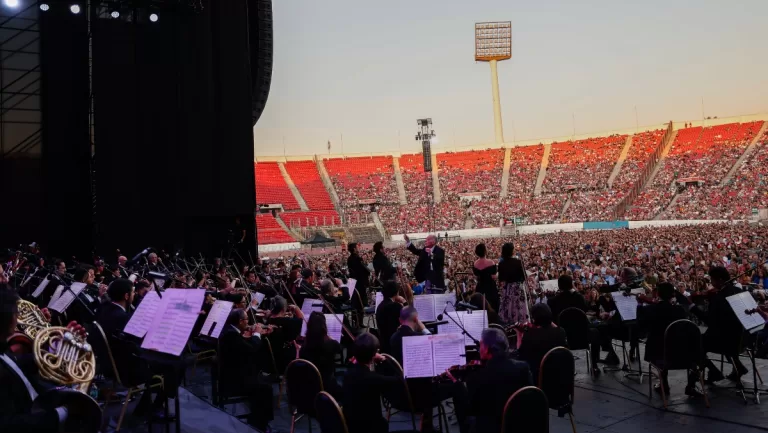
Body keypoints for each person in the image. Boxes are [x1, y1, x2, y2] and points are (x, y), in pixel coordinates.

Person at [453, 328, 533, 433]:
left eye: (480, 345)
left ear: (486, 350)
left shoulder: (476, 378)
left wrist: (457, 385)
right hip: (521, 424)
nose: (479, 348)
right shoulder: (523, 367)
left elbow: (473, 410)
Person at [638, 282, 700, 397]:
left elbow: (641, 329)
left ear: (658, 294)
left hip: (661, 355)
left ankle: (664, 384)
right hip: (684, 356)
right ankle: (691, 385)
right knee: (670, 342)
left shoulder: (651, 309)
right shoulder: (680, 310)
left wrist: (640, 305)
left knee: (659, 343)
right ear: (673, 294)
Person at [218, 309, 274, 430]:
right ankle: (259, 424)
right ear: (240, 321)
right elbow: (251, 349)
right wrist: (257, 334)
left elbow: (242, 345)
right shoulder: (231, 335)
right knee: (266, 388)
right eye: (247, 319)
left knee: (261, 381)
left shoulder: (230, 330)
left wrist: (253, 333)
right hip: (234, 380)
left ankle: (257, 419)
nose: (248, 322)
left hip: (230, 372)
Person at [342, 332, 398, 433]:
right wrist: (384, 361)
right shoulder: (373, 378)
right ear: (374, 355)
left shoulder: (347, 374)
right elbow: (398, 380)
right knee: (383, 424)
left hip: (349, 425)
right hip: (370, 427)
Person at [699, 266, 748, 382]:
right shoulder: (738, 291)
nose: (711, 283)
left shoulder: (719, 298)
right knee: (728, 334)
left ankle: (714, 372)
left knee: (696, 344)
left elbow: (709, 321)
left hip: (726, 341)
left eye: (712, 280)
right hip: (742, 339)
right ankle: (738, 367)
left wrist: (693, 308)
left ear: (720, 280)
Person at [515, 303, 568, 380]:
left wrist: (519, 334)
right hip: (561, 378)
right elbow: (556, 328)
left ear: (534, 318)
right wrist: (548, 320)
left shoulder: (529, 335)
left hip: (539, 380)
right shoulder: (561, 332)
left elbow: (521, 358)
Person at [299, 311, 343, 399]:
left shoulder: (303, 347)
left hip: (309, 388)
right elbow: (340, 348)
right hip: (327, 387)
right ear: (324, 327)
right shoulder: (331, 344)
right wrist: (327, 336)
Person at [497, 242, 527, 324]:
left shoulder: (501, 263)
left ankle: (508, 324)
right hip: (517, 288)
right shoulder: (518, 262)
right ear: (511, 251)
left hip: (507, 289)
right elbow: (524, 277)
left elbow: (500, 278)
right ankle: (520, 323)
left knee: (507, 307)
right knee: (518, 307)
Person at [375, 281, 406, 354]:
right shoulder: (396, 306)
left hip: (383, 343)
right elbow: (409, 316)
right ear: (396, 292)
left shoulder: (380, 306)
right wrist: (404, 302)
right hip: (395, 345)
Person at [473, 243, 499, 311]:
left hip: (480, 287)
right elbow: (494, 276)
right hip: (490, 288)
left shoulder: (475, 264)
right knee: (492, 307)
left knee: (480, 306)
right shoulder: (491, 262)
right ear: (485, 251)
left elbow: (476, 275)